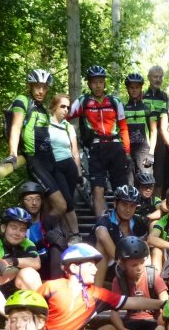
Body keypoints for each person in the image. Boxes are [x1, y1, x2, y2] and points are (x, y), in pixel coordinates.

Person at [38, 243, 165, 330]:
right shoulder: (50, 286)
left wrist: (163, 303)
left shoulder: (98, 295)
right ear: (74, 268)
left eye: (95, 265)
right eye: (90, 265)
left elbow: (133, 302)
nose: (96, 269)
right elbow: (28, 310)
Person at [97, 237, 168, 330]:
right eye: (133, 265)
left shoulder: (153, 276)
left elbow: (167, 305)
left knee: (164, 329)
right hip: (131, 323)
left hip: (153, 322)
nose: (139, 268)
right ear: (122, 264)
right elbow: (114, 313)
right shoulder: (118, 280)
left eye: (142, 263)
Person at [3, 69, 71, 222]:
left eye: (44, 87)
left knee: (48, 205)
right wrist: (13, 153)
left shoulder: (41, 108)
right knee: (61, 206)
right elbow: (16, 126)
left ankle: (44, 236)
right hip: (36, 161)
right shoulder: (23, 100)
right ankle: (42, 232)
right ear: (30, 86)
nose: (41, 91)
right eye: (37, 87)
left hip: (49, 160)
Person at [68, 65, 131, 216]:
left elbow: (123, 127)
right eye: (94, 82)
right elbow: (65, 114)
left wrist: (127, 151)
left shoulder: (115, 101)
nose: (98, 85)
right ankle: (101, 225)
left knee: (121, 189)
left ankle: (120, 223)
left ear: (104, 83)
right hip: (96, 148)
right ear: (89, 84)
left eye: (101, 82)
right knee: (98, 188)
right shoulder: (83, 101)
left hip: (116, 147)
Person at [0, 207, 42, 318]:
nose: (17, 233)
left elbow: (36, 263)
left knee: (29, 273)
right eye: (13, 227)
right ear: (3, 228)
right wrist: (13, 270)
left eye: (22, 230)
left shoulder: (28, 244)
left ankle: (38, 316)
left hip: (21, 289)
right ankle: (11, 317)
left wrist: (10, 261)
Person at [91, 184, 149, 286]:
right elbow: (101, 235)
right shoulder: (106, 219)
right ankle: (96, 293)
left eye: (132, 206)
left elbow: (145, 247)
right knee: (102, 246)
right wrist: (123, 262)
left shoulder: (138, 221)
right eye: (124, 204)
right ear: (115, 204)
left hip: (132, 266)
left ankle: (146, 287)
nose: (128, 209)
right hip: (108, 263)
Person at [46, 93, 82, 238]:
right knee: (66, 202)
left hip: (70, 167)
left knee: (68, 202)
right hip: (55, 166)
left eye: (68, 107)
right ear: (54, 107)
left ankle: (64, 234)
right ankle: (76, 234)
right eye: (62, 106)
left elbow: (75, 151)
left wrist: (79, 172)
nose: (66, 110)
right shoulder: (45, 124)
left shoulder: (69, 127)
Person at [17, 181, 69, 280]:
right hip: (29, 261)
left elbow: (61, 242)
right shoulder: (18, 223)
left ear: (42, 201)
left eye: (38, 199)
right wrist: (43, 241)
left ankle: (56, 284)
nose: (34, 203)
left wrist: (54, 236)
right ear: (22, 202)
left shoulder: (50, 219)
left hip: (50, 261)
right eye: (28, 199)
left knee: (56, 243)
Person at [123, 73, 157, 182]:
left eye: (137, 87)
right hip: (128, 151)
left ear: (141, 88)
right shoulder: (123, 108)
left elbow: (153, 130)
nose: (134, 90)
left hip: (144, 150)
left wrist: (151, 153)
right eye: (131, 87)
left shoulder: (148, 107)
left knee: (146, 183)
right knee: (129, 185)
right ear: (127, 89)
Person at [143, 65, 169, 199]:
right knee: (143, 173)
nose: (158, 79)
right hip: (143, 139)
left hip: (160, 140)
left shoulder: (166, 97)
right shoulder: (141, 96)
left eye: (160, 77)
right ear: (149, 78)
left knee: (159, 175)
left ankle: (157, 205)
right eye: (155, 76)